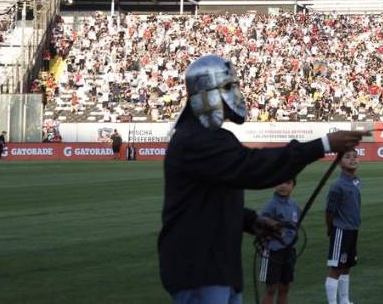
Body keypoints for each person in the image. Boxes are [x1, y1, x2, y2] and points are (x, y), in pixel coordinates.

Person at [157, 54, 367, 304]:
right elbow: (252, 167)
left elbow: (211, 200)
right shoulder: (196, 140)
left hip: (215, 265)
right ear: (207, 93)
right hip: (199, 267)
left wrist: (251, 221)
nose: (235, 93)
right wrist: (322, 145)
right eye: (227, 87)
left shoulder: (208, 138)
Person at [324, 149, 361, 304]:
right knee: (336, 267)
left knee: (347, 266)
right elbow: (329, 210)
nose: (352, 159)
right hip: (341, 230)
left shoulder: (356, 181)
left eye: (355, 156)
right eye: (347, 157)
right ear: (339, 162)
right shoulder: (337, 185)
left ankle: (344, 300)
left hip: (353, 229)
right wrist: (330, 227)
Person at [258, 178, 300, 304]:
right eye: (280, 181)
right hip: (272, 251)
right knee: (271, 289)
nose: (283, 186)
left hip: (288, 251)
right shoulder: (270, 206)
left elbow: (296, 227)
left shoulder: (295, 206)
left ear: (293, 186)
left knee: (284, 287)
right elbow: (259, 227)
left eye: (288, 183)